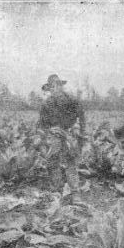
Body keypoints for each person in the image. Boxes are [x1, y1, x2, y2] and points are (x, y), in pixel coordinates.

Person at [37, 74, 86, 205]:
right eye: (51, 87)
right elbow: (41, 124)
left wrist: (80, 133)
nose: (53, 89)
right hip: (54, 135)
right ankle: (57, 192)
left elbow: (81, 117)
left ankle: (75, 193)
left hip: (70, 134)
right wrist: (46, 135)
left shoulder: (72, 100)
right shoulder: (46, 104)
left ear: (60, 86)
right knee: (53, 163)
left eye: (56, 86)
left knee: (71, 163)